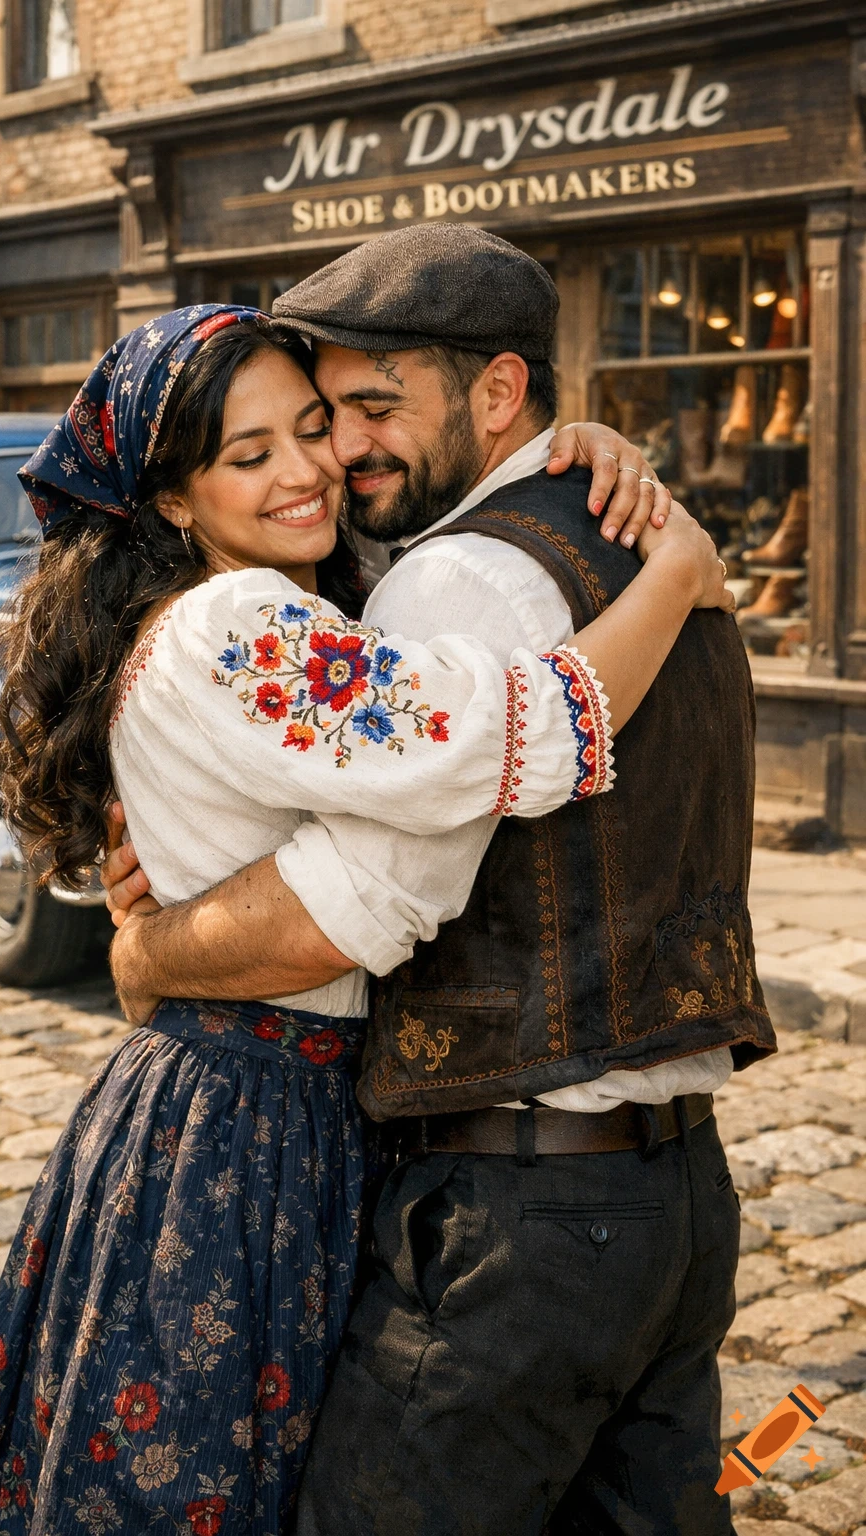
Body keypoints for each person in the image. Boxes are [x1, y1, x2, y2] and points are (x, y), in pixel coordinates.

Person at [0, 297, 725, 1536]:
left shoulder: (261, 603)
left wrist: (595, 453)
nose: (308, 469)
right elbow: (478, 733)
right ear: (173, 498)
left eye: (316, 427)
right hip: (248, 1124)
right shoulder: (239, 619)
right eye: (250, 455)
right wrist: (670, 574)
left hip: (245, 1103)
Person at [103, 227, 775, 1536]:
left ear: (499, 393)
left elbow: (357, 902)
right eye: (316, 420)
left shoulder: (452, 579)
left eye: (371, 409)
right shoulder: (632, 530)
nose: (342, 454)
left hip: (519, 1216)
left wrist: (148, 953)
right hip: (676, 1201)